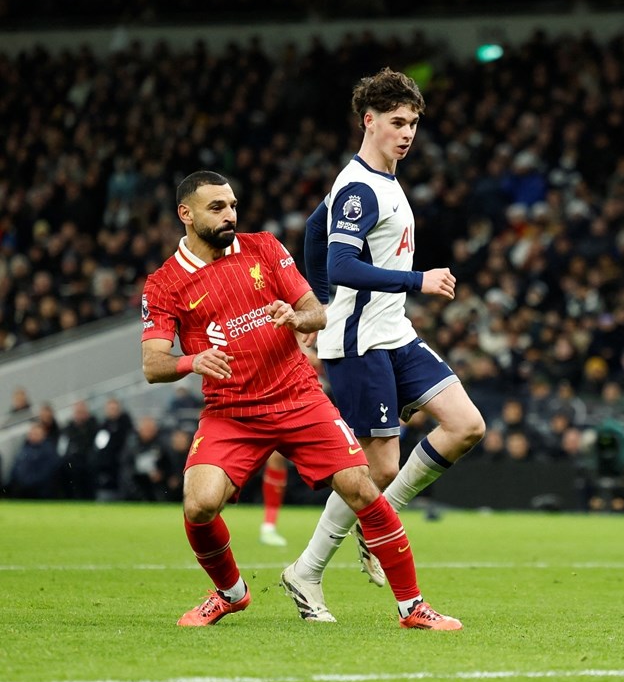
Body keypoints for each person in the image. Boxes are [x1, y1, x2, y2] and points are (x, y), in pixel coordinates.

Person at [141, 169, 458, 630]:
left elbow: (319, 312)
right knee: (199, 505)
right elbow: (152, 364)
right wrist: (192, 361)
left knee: (362, 486)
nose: (230, 214)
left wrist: (297, 316)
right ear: (184, 214)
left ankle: (413, 607)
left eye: (232, 205)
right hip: (231, 412)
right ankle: (230, 593)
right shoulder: (165, 283)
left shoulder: (264, 247)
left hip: (297, 396)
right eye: (217, 208)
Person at [283, 68, 485, 622]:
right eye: (397, 122)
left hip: (395, 333)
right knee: (377, 471)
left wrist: (312, 303)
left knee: (465, 424)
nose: (408, 132)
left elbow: (310, 227)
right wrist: (411, 281)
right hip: (358, 342)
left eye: (414, 122)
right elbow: (343, 261)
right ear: (367, 121)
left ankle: (378, 529)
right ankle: (307, 571)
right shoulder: (359, 187)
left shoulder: (382, 182)